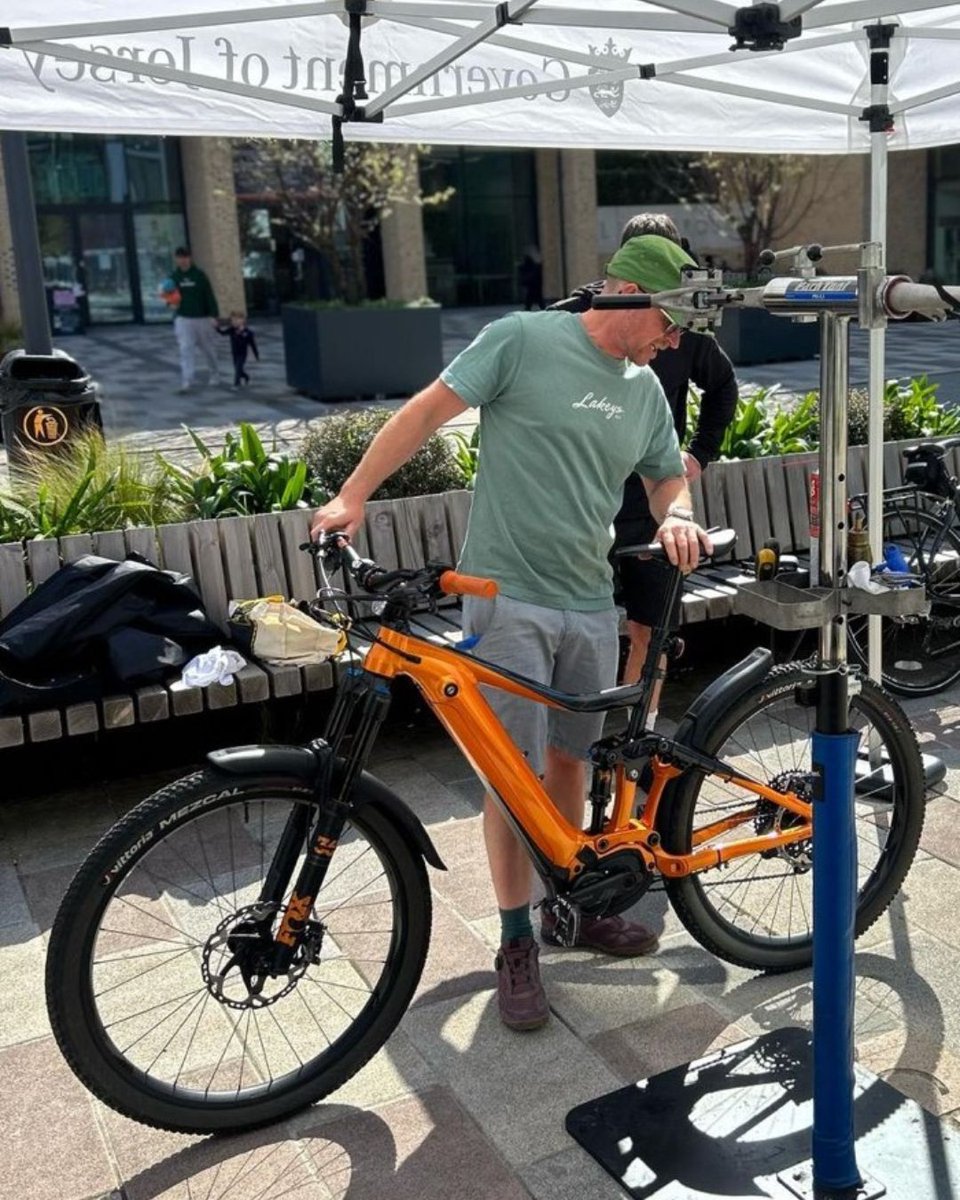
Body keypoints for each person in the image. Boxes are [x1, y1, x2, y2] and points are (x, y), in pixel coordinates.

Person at [311, 235, 713, 1032]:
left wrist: (682, 514)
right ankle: (516, 936)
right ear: (627, 291)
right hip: (506, 596)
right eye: (670, 318)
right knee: (510, 774)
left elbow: (666, 473)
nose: (676, 339)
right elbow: (428, 410)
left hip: (589, 601)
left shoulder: (645, 390)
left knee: (568, 760)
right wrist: (352, 497)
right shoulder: (523, 340)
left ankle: (570, 905)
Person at [550, 214, 738, 716]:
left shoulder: (685, 325)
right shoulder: (576, 314)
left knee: (650, 629)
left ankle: (641, 725)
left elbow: (723, 386)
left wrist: (698, 454)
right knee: (570, 626)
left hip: (649, 502)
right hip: (581, 502)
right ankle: (568, 737)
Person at [168, 246, 222, 394]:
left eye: (185, 257)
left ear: (190, 258)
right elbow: (169, 296)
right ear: (176, 259)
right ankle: (187, 380)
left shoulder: (199, 275)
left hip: (202, 318)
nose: (183, 260)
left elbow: (209, 295)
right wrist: (170, 303)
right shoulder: (174, 277)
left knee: (208, 349)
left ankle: (215, 373)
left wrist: (213, 314)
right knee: (185, 349)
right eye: (180, 257)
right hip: (183, 318)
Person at [217, 310, 260, 389]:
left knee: (238, 368)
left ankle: (236, 384)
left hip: (242, 353)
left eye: (236, 320)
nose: (234, 322)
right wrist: (217, 327)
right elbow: (223, 333)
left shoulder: (248, 332)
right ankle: (246, 376)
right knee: (237, 369)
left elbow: (252, 344)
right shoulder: (232, 330)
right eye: (232, 320)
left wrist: (256, 355)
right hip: (234, 352)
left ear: (243, 320)